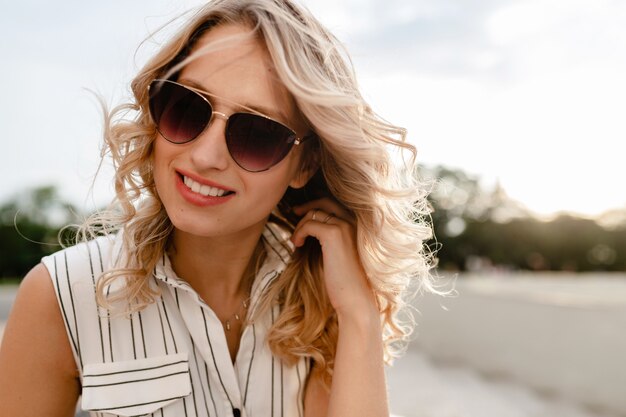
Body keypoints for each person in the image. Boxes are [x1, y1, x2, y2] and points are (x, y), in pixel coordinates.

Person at [0, 0, 436, 416]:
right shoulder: (62, 295)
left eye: (257, 133)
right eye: (187, 108)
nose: (206, 155)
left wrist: (360, 316)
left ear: (305, 164)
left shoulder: (320, 299)